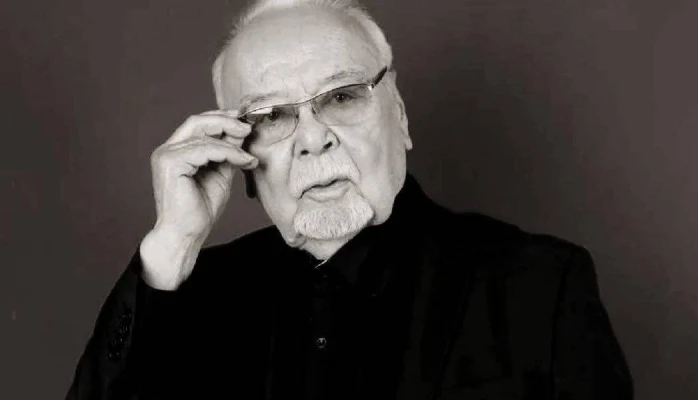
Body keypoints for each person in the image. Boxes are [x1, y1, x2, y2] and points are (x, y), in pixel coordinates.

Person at [66, 0, 633, 399]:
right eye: (271, 115)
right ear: (237, 152)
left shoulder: (540, 285)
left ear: (399, 115)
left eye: (342, 97)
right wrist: (170, 247)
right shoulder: (188, 301)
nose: (314, 138)